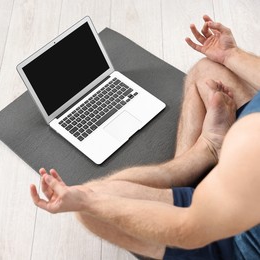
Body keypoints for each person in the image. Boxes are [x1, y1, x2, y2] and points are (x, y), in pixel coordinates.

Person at [29, 15, 260, 259]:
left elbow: (188, 229)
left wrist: (86, 201)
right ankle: (204, 152)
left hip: (229, 240)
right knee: (206, 70)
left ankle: (206, 150)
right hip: (241, 174)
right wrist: (230, 54)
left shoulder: (250, 151)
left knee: (90, 209)